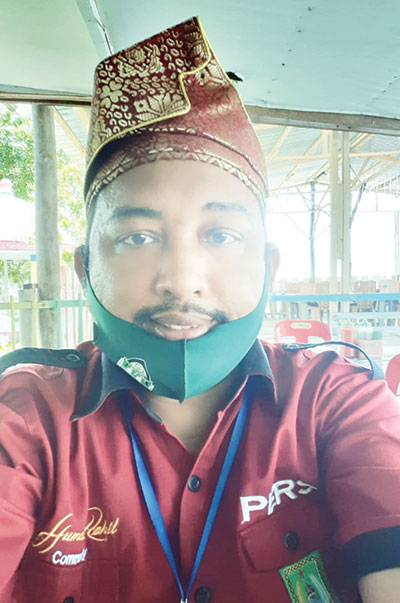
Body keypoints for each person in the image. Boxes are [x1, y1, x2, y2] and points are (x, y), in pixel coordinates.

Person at [1, 16, 400, 603]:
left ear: (267, 265)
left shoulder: (335, 402)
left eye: (221, 235)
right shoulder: (29, 418)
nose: (182, 280)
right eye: (137, 237)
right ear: (85, 269)